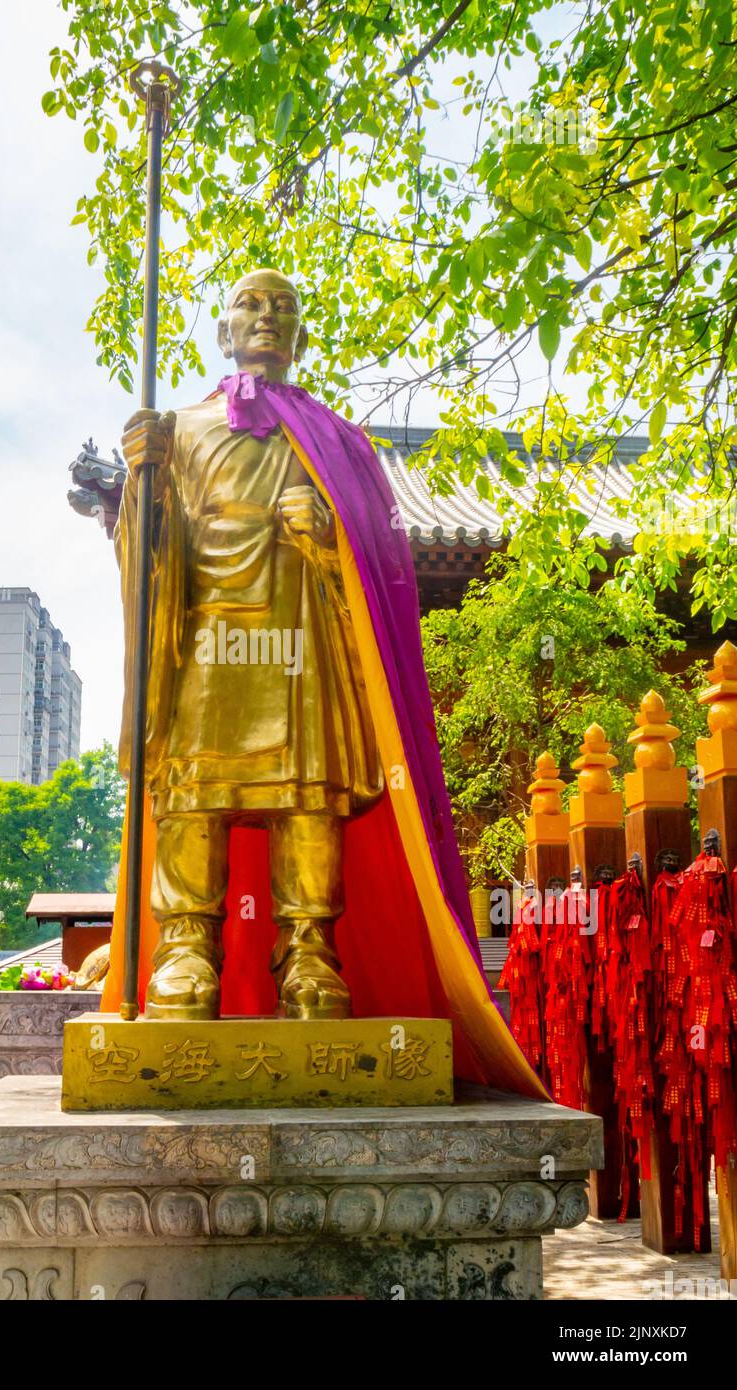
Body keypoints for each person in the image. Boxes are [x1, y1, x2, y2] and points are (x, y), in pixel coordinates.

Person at [100, 267, 544, 1095]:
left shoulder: (337, 441)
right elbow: (147, 564)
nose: (266, 318)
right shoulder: (179, 430)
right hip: (208, 639)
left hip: (301, 639)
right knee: (193, 794)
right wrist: (143, 487)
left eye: (283, 308)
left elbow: (386, 569)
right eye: (249, 305)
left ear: (299, 332)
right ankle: (187, 947)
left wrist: (335, 539)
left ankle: (308, 953)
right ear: (222, 326)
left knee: (308, 799)